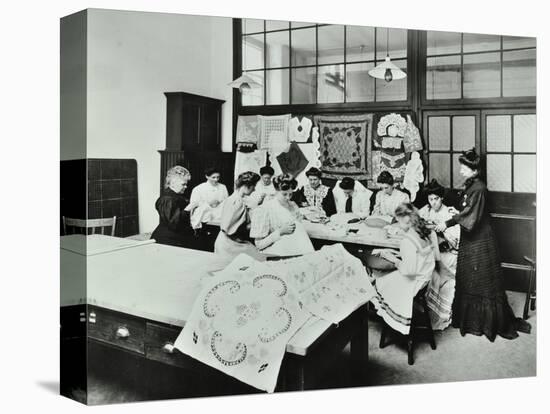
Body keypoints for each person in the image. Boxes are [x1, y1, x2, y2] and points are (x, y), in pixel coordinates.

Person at [435, 148, 530, 341]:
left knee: (483, 282)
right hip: (471, 240)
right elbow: (467, 209)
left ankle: (485, 324)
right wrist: (456, 212)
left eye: (463, 167)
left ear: (474, 170)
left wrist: (447, 222)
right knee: (469, 278)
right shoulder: (472, 185)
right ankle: (470, 322)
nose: (460, 170)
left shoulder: (479, 188)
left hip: (480, 241)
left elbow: (471, 216)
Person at [369, 203, 439, 335]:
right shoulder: (423, 232)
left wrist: (394, 259)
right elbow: (420, 255)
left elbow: (408, 271)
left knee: (378, 280)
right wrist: (401, 255)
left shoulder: (407, 241)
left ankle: (387, 318)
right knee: (384, 277)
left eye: (398, 221)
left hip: (414, 282)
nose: (397, 225)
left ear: (406, 221)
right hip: (424, 277)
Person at [419, 179, 460, 330]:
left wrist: (441, 231)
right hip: (429, 251)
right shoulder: (424, 210)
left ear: (441, 198)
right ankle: (419, 313)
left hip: (447, 253)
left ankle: (437, 315)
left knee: (435, 272)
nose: (433, 203)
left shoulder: (450, 212)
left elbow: (456, 240)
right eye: (430, 199)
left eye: (436, 199)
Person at [250, 173, 315, 257]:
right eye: (284, 194)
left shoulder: (293, 205)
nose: (288, 198)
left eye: (290, 194)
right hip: (277, 252)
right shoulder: (265, 209)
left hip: (297, 247)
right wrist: (280, 232)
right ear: (276, 191)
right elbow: (259, 245)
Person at [214, 171, 266, 261]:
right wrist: (255, 224)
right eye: (254, 186)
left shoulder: (234, 199)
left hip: (228, 242)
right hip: (229, 245)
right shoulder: (237, 202)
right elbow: (228, 228)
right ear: (247, 186)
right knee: (258, 258)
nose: (254, 190)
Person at [151, 166, 198, 247]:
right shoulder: (167, 199)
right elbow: (173, 223)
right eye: (183, 184)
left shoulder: (176, 196)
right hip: (167, 239)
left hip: (177, 237)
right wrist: (189, 208)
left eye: (186, 184)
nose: (186, 187)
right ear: (173, 183)